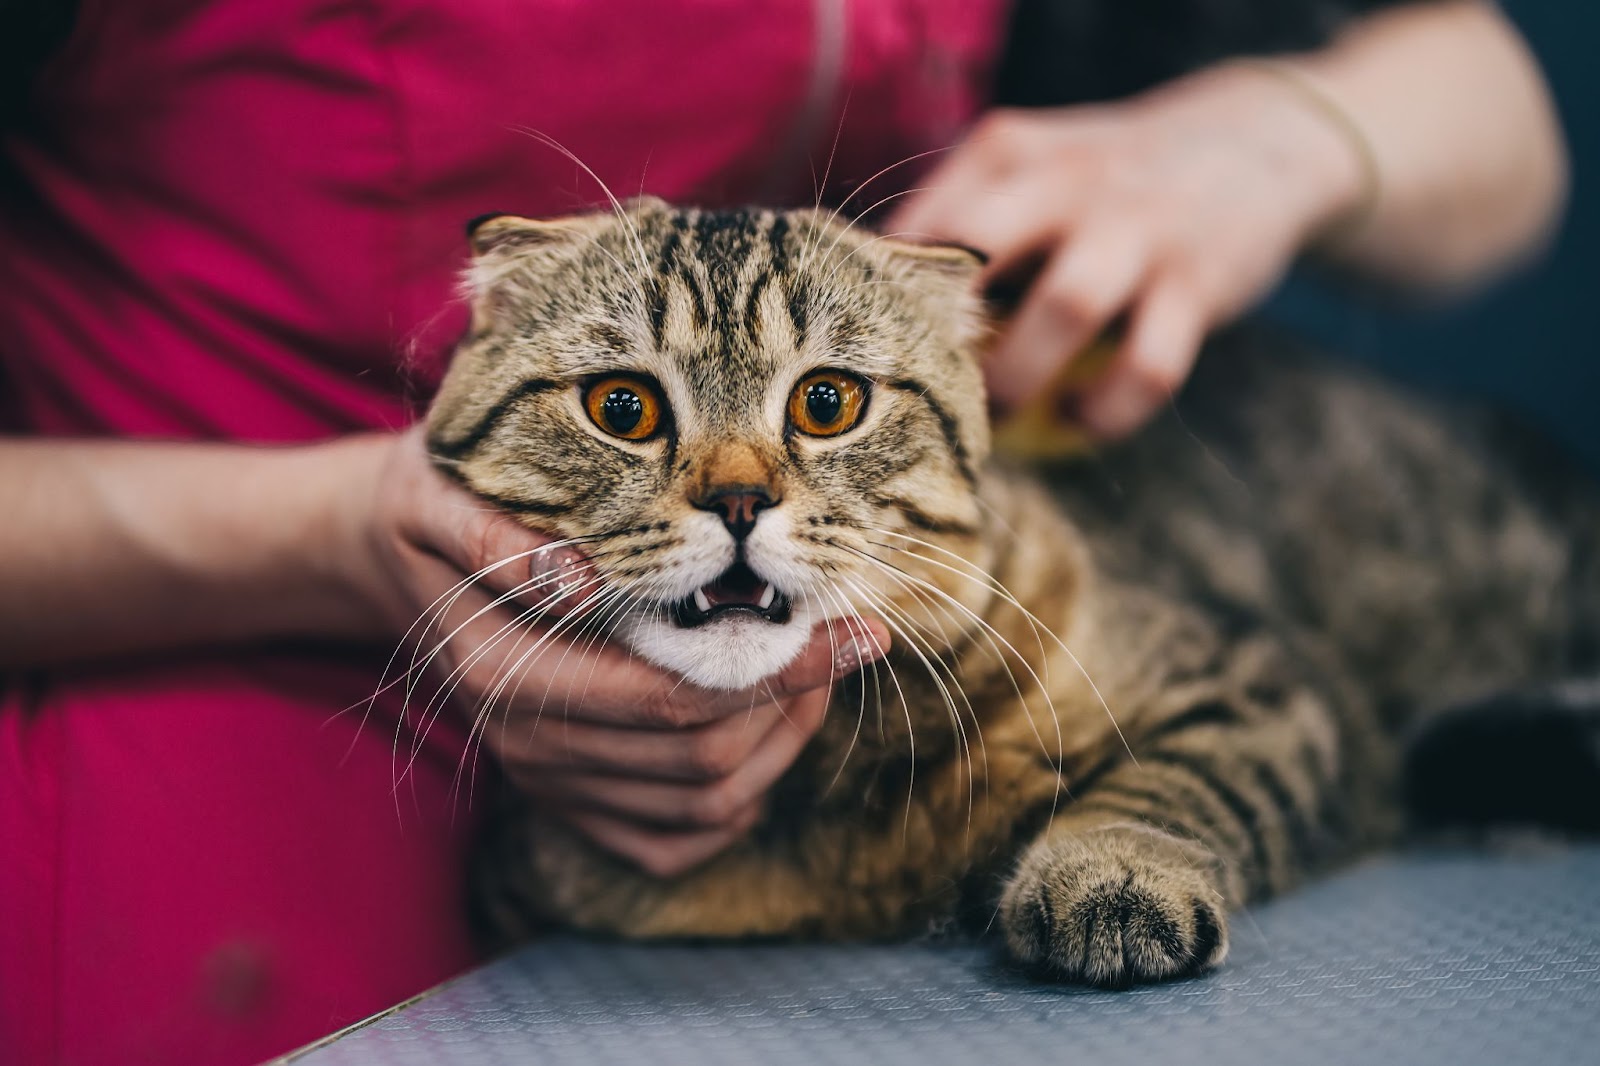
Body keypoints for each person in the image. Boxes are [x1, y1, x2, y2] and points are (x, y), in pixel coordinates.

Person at [0, 1, 1567, 1062]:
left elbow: (1504, 112)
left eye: (800, 427)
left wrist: (1272, 135)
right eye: (630, 409)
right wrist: (343, 526)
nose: (735, 482)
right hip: (202, 749)